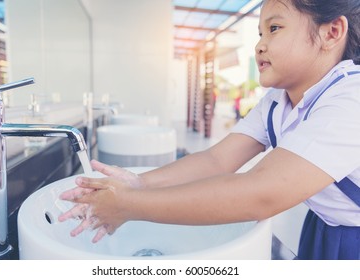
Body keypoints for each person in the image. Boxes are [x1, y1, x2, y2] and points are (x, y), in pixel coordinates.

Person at [59, 0, 360, 260]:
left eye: (275, 28)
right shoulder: (276, 102)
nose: (259, 45)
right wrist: (139, 183)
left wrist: (129, 205)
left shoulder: (351, 98)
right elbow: (216, 160)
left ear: (330, 33)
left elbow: (262, 192)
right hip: (325, 227)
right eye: (259, 33)